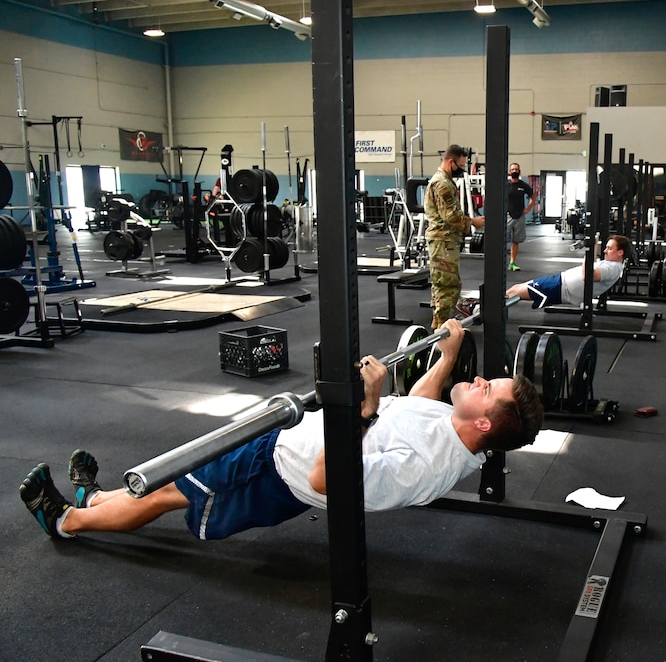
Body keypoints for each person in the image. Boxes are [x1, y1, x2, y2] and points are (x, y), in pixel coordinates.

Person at [19, 319, 544, 541]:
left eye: (484, 386)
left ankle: (67, 521)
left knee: (163, 491)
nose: (475, 379)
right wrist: (446, 355)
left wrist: (362, 408)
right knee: (167, 487)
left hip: (278, 472)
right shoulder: (456, 431)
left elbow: (326, 481)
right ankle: (94, 499)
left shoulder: (425, 469)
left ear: (482, 422)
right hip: (282, 446)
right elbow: (420, 406)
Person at [424, 144, 485, 330]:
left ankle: (438, 326)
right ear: (451, 162)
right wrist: (473, 222)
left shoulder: (444, 181)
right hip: (443, 242)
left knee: (442, 285)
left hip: (445, 242)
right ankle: (441, 330)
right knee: (448, 286)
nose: (462, 170)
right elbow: (450, 216)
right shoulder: (442, 184)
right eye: (460, 165)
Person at [504, 234, 631, 309]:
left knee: (515, 292)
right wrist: (593, 243)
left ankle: (492, 308)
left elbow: (587, 275)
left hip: (560, 288)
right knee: (515, 289)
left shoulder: (613, 268)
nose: (605, 251)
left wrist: (589, 250)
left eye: (609, 248)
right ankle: (493, 306)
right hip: (559, 282)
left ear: (620, 252)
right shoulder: (611, 264)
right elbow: (591, 266)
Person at [505, 162, 536, 272]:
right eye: (512, 169)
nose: (514, 171)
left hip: (520, 216)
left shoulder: (523, 185)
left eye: (516, 169)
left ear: (519, 171)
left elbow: (533, 197)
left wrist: (528, 209)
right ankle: (501, 263)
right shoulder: (505, 185)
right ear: (509, 171)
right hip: (507, 216)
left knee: (516, 241)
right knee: (502, 241)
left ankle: (512, 263)